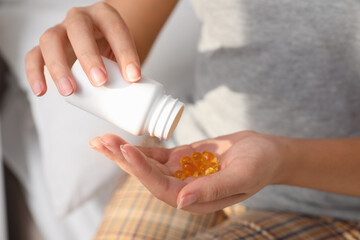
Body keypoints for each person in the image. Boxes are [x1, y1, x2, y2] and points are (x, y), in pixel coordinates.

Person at [25, 0, 360, 239]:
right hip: (191, 152)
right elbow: (120, 36)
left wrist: (280, 160)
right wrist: (95, 35)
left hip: (334, 197)